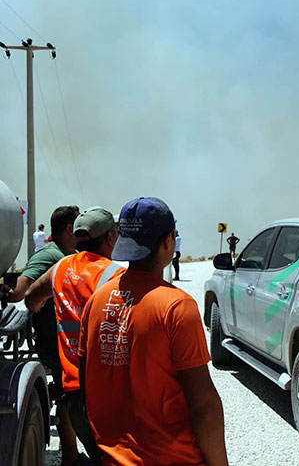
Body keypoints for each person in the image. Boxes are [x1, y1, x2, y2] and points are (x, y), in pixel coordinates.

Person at [79, 197, 228, 466]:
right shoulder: (177, 306)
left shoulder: (96, 301)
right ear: (168, 241)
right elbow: (204, 406)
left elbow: (85, 383)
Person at [26, 207, 124, 466]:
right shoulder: (114, 275)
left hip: (74, 394)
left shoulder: (60, 269)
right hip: (105, 393)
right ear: (111, 237)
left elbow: (31, 299)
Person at [8, 205, 80, 466]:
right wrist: (11, 291)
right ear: (70, 228)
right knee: (68, 396)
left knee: (72, 395)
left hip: (67, 341)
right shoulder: (50, 254)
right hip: (54, 342)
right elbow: (22, 289)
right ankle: (70, 458)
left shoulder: (70, 254)